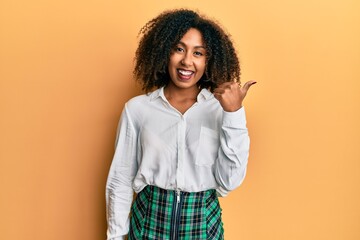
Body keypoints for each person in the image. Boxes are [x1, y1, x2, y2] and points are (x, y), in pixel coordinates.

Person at [105, 9, 256, 240]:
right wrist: (116, 237)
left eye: (198, 53)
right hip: (148, 224)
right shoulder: (137, 110)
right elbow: (121, 179)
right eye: (179, 49)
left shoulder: (221, 111)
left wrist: (233, 113)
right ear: (164, 52)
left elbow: (229, 182)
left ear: (209, 60)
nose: (187, 61)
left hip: (203, 226)